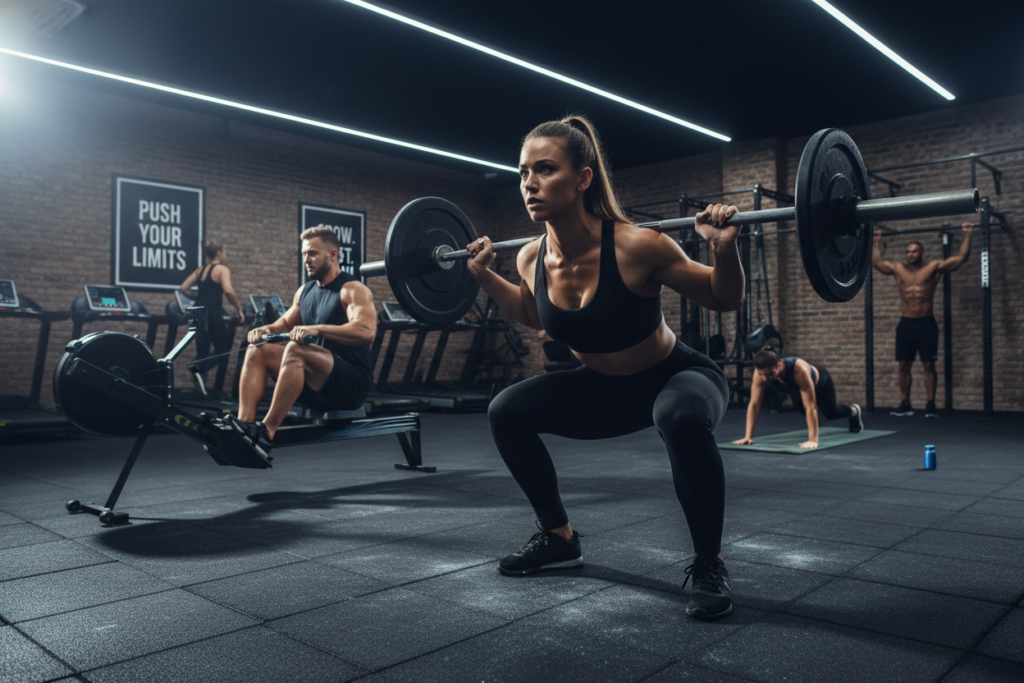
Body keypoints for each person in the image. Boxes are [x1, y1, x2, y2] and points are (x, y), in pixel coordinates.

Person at [464, 116, 744, 621]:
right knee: (507, 409)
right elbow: (532, 313)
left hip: (677, 378)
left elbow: (722, 297)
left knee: (679, 415)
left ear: (583, 178)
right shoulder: (530, 256)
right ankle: (558, 538)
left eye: (545, 169)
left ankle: (709, 562)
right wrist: (485, 277)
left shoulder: (639, 245)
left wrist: (724, 250)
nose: (529, 183)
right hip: (605, 390)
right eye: (523, 171)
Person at [228, 226, 376, 458]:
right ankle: (244, 429)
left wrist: (316, 329)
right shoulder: (305, 292)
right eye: (304, 254)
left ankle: (265, 433)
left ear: (333, 255)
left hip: (351, 386)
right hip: (315, 385)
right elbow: (283, 325)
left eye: (313, 253)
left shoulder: (352, 289)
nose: (307, 259)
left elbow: (366, 331)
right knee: (258, 350)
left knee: (296, 350)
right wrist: (263, 329)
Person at [873, 224, 972, 417]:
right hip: (906, 323)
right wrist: (876, 241)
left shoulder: (933, 267)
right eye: (908, 251)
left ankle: (930, 404)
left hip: (926, 322)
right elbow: (878, 263)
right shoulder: (898, 268)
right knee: (903, 365)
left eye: (914, 251)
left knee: (928, 364)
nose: (910, 254)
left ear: (921, 252)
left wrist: (968, 235)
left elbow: (960, 259)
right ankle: (905, 403)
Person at [733, 348, 863, 450]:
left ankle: (854, 411)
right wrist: (748, 437)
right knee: (802, 410)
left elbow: (810, 407)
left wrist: (813, 440)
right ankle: (816, 421)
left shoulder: (799, 370)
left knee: (830, 413)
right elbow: (755, 404)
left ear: (779, 365)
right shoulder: (760, 372)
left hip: (820, 383)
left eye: (770, 374)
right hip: (795, 388)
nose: (766, 379)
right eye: (762, 375)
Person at [179, 238, 244, 396]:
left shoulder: (200, 270)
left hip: (196, 312)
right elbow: (228, 291)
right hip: (213, 313)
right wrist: (238, 309)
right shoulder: (222, 269)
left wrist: (198, 298)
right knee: (223, 349)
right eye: (224, 252)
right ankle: (198, 368)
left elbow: (183, 288)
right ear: (219, 252)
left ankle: (200, 392)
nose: (225, 254)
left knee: (203, 351)